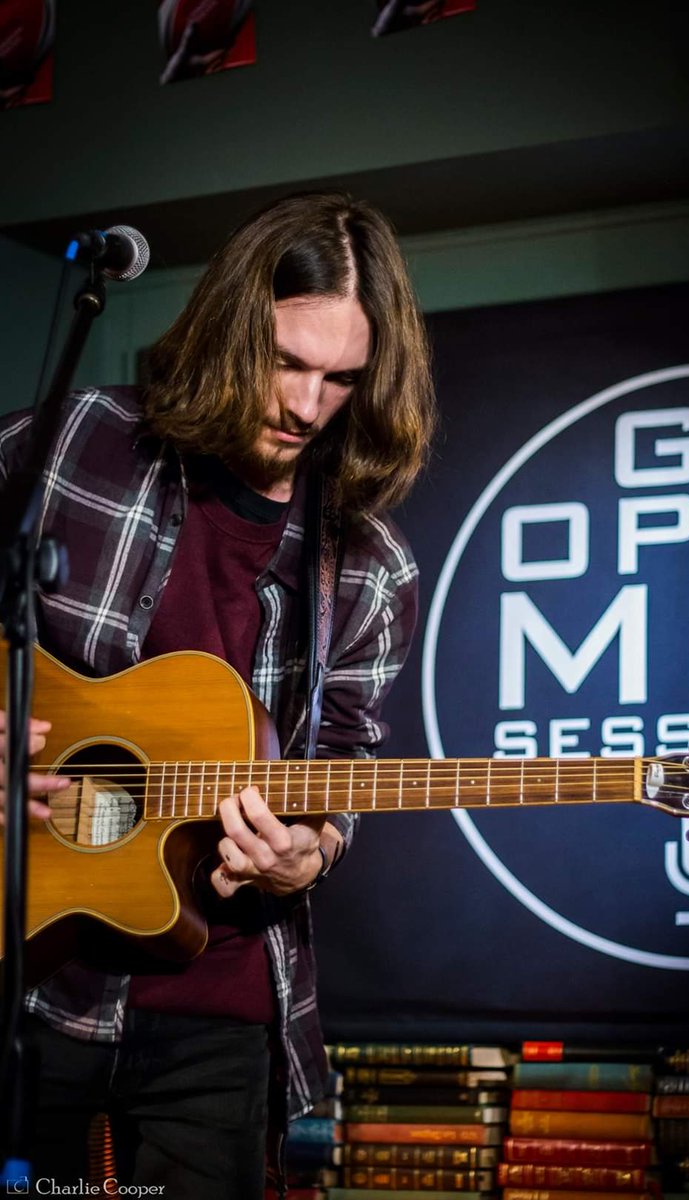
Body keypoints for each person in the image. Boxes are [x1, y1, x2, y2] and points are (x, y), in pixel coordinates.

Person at [0, 191, 435, 1199]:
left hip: (221, 1012)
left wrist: (306, 851)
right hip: (31, 990)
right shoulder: (75, 444)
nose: (305, 407)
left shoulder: (368, 564)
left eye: (340, 380)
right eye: (286, 362)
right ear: (231, 326)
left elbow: (339, 766)